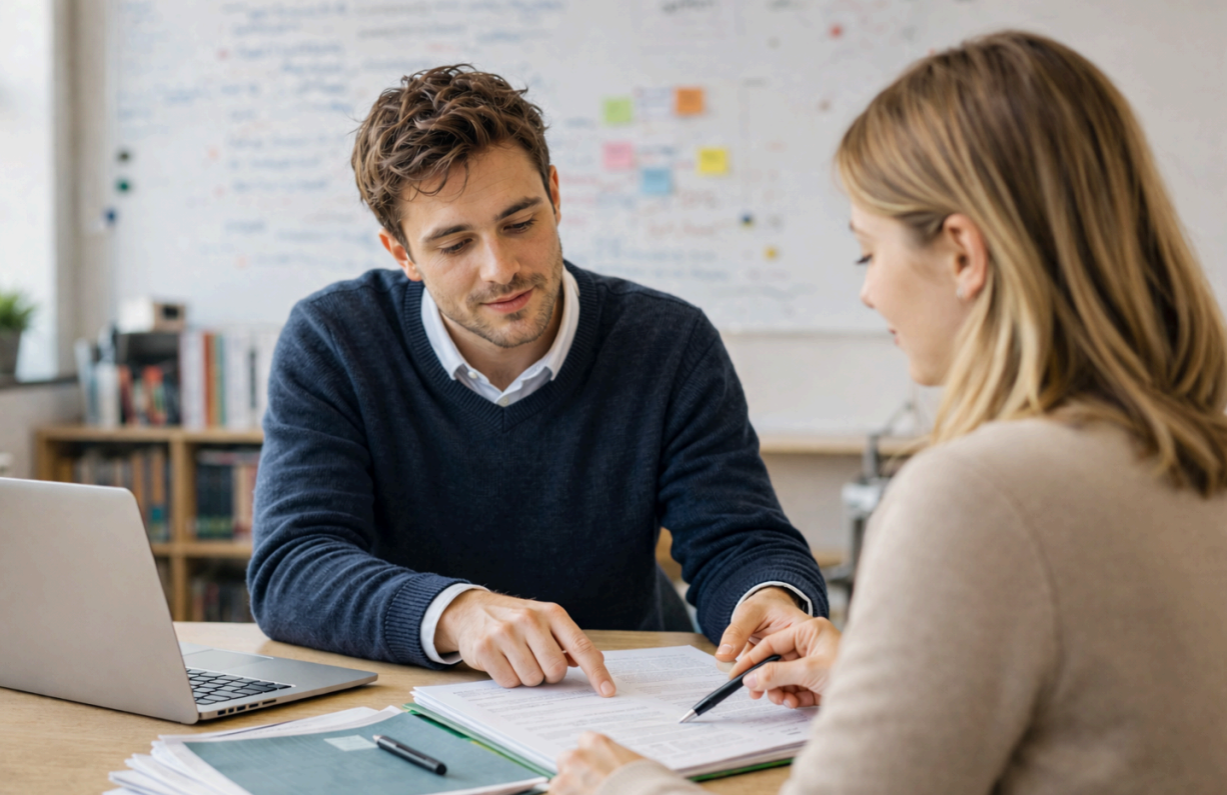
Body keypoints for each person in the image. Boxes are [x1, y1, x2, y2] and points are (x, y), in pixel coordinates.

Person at [553, 30, 1227, 793]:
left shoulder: (980, 495)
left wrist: (625, 784)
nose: (869, 292)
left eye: (866, 251)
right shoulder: (1191, 453)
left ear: (962, 255)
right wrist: (875, 682)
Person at [247, 65, 828, 695]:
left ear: (554, 194)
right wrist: (456, 613)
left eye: (520, 223)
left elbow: (737, 537)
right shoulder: (334, 340)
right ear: (402, 254)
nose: (501, 269)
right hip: (413, 697)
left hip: (624, 695)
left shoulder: (669, 342)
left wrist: (770, 598)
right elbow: (293, 566)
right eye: (454, 244)